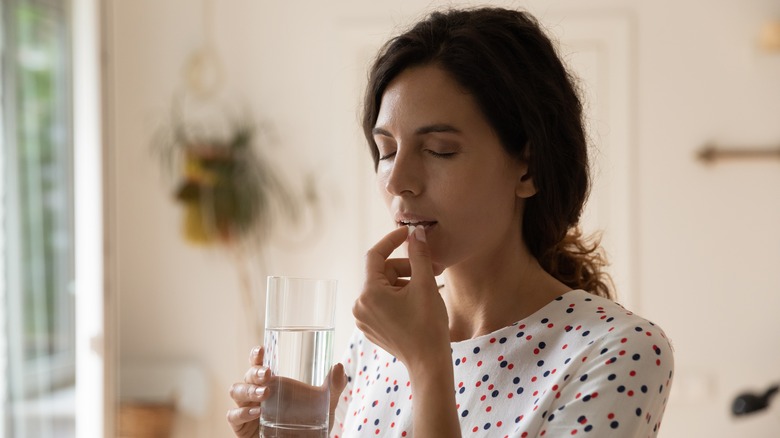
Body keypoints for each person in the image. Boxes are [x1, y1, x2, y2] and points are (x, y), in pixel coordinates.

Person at [227, 6, 674, 437]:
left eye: (439, 149)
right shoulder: (375, 344)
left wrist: (427, 364)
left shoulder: (618, 350)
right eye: (385, 151)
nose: (398, 180)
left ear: (528, 169)